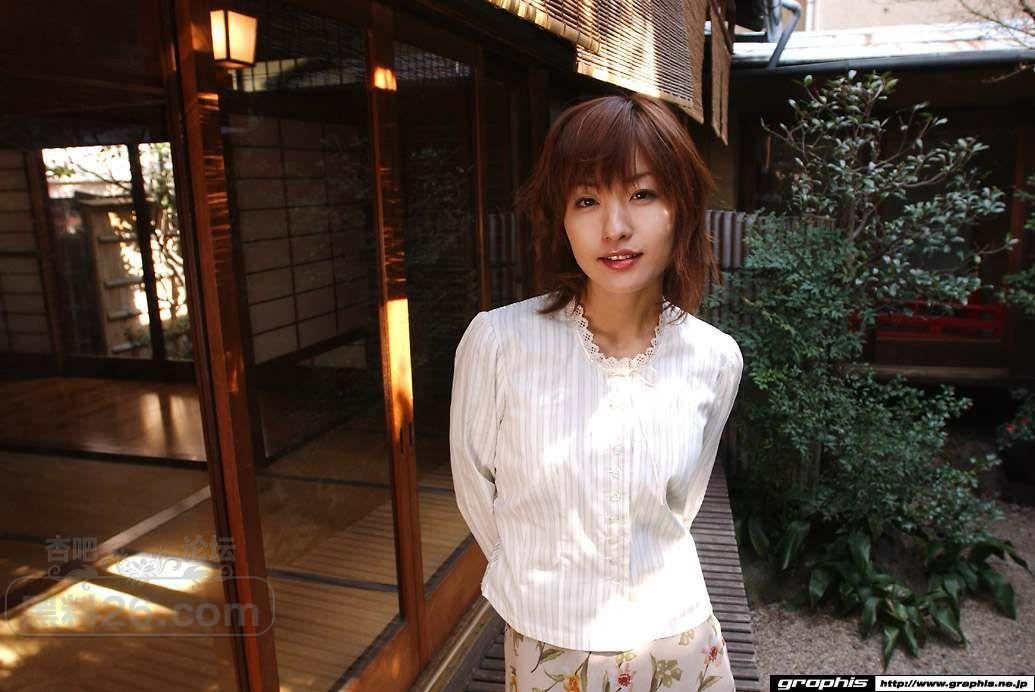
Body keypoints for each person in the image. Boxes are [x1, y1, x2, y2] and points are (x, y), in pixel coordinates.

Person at [449, 93, 744, 691]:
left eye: (642, 194)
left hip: (679, 638)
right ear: (561, 219)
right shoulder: (499, 342)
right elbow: (475, 486)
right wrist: (535, 576)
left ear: (681, 209)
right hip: (548, 641)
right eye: (586, 200)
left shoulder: (714, 357)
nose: (615, 228)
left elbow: (679, 505)